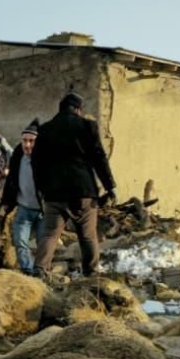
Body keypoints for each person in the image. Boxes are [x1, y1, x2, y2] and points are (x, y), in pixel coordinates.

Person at [31, 92, 116, 277]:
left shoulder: (45, 129)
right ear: (78, 109)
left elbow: (37, 162)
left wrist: (41, 189)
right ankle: (91, 272)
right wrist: (110, 186)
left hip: (55, 193)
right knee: (87, 235)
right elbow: (99, 158)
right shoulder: (87, 126)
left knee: (50, 234)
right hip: (83, 191)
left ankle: (39, 269)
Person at [1, 119, 43, 276]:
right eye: (25, 141)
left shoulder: (46, 159)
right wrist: (6, 202)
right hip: (24, 208)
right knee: (20, 241)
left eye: (31, 141)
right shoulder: (18, 157)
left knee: (43, 244)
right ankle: (27, 270)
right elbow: (11, 181)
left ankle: (41, 271)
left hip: (43, 211)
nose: (27, 145)